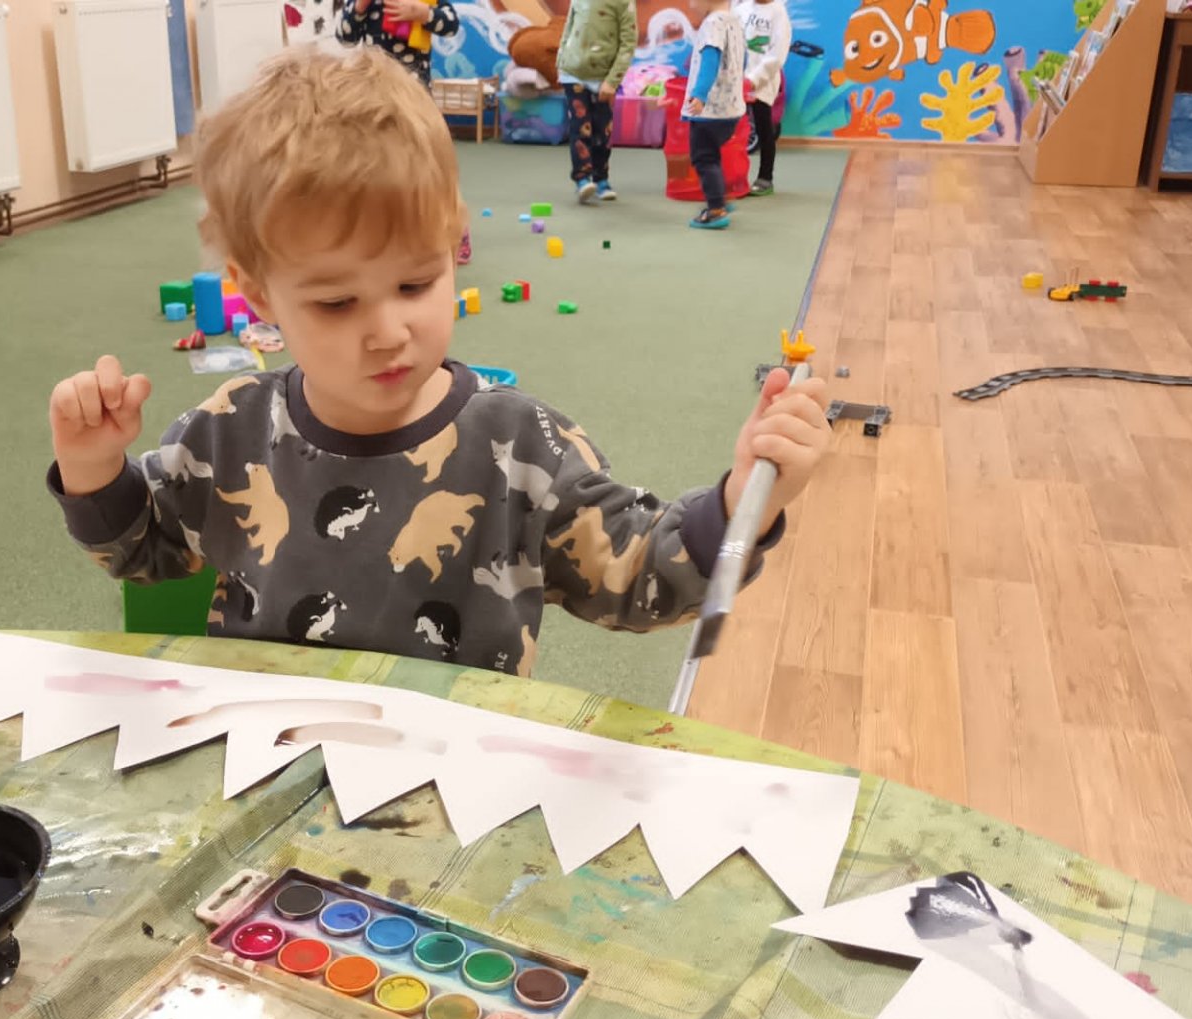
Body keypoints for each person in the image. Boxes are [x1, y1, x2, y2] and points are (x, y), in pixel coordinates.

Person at [46, 47, 830, 677]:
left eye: (415, 284)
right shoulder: (229, 431)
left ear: (454, 248)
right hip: (269, 758)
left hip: (449, 778)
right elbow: (145, 552)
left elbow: (638, 580)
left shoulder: (522, 445)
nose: (388, 331)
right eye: (336, 302)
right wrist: (92, 468)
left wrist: (743, 502)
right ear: (258, 296)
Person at [336, 0, 472, 262]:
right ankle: (385, 229)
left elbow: (451, 24)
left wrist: (424, 13)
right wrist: (360, 8)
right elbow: (345, 36)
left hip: (414, 95)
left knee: (429, 162)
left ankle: (454, 227)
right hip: (375, 96)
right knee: (377, 163)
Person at [557, 0, 639, 205]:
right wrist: (561, 61)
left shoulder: (624, 3)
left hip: (603, 79)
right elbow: (569, 27)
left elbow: (628, 43)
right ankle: (582, 178)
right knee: (580, 127)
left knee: (602, 132)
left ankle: (601, 178)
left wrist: (612, 81)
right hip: (573, 74)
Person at [681, 0, 747, 229]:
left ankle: (716, 209)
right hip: (730, 108)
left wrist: (699, 95)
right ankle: (719, 197)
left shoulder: (712, 24)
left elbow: (710, 60)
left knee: (704, 158)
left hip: (711, 110)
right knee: (712, 156)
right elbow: (741, 60)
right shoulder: (734, 21)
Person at [735, 0, 789, 196]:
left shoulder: (778, 13)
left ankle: (765, 178)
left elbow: (777, 54)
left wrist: (755, 79)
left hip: (762, 83)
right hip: (737, 81)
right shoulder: (741, 9)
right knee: (733, 131)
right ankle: (733, 176)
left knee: (764, 128)